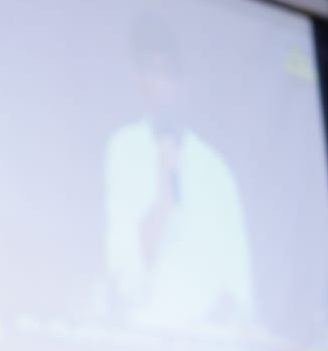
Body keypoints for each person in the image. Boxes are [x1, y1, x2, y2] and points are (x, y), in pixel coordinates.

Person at [103, 16, 256, 332]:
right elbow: (125, 266)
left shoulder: (214, 168)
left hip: (209, 341)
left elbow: (237, 277)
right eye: (150, 71)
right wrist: (164, 191)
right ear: (138, 79)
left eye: (167, 72)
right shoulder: (124, 148)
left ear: (183, 82)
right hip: (142, 334)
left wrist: (212, 326)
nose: (158, 83)